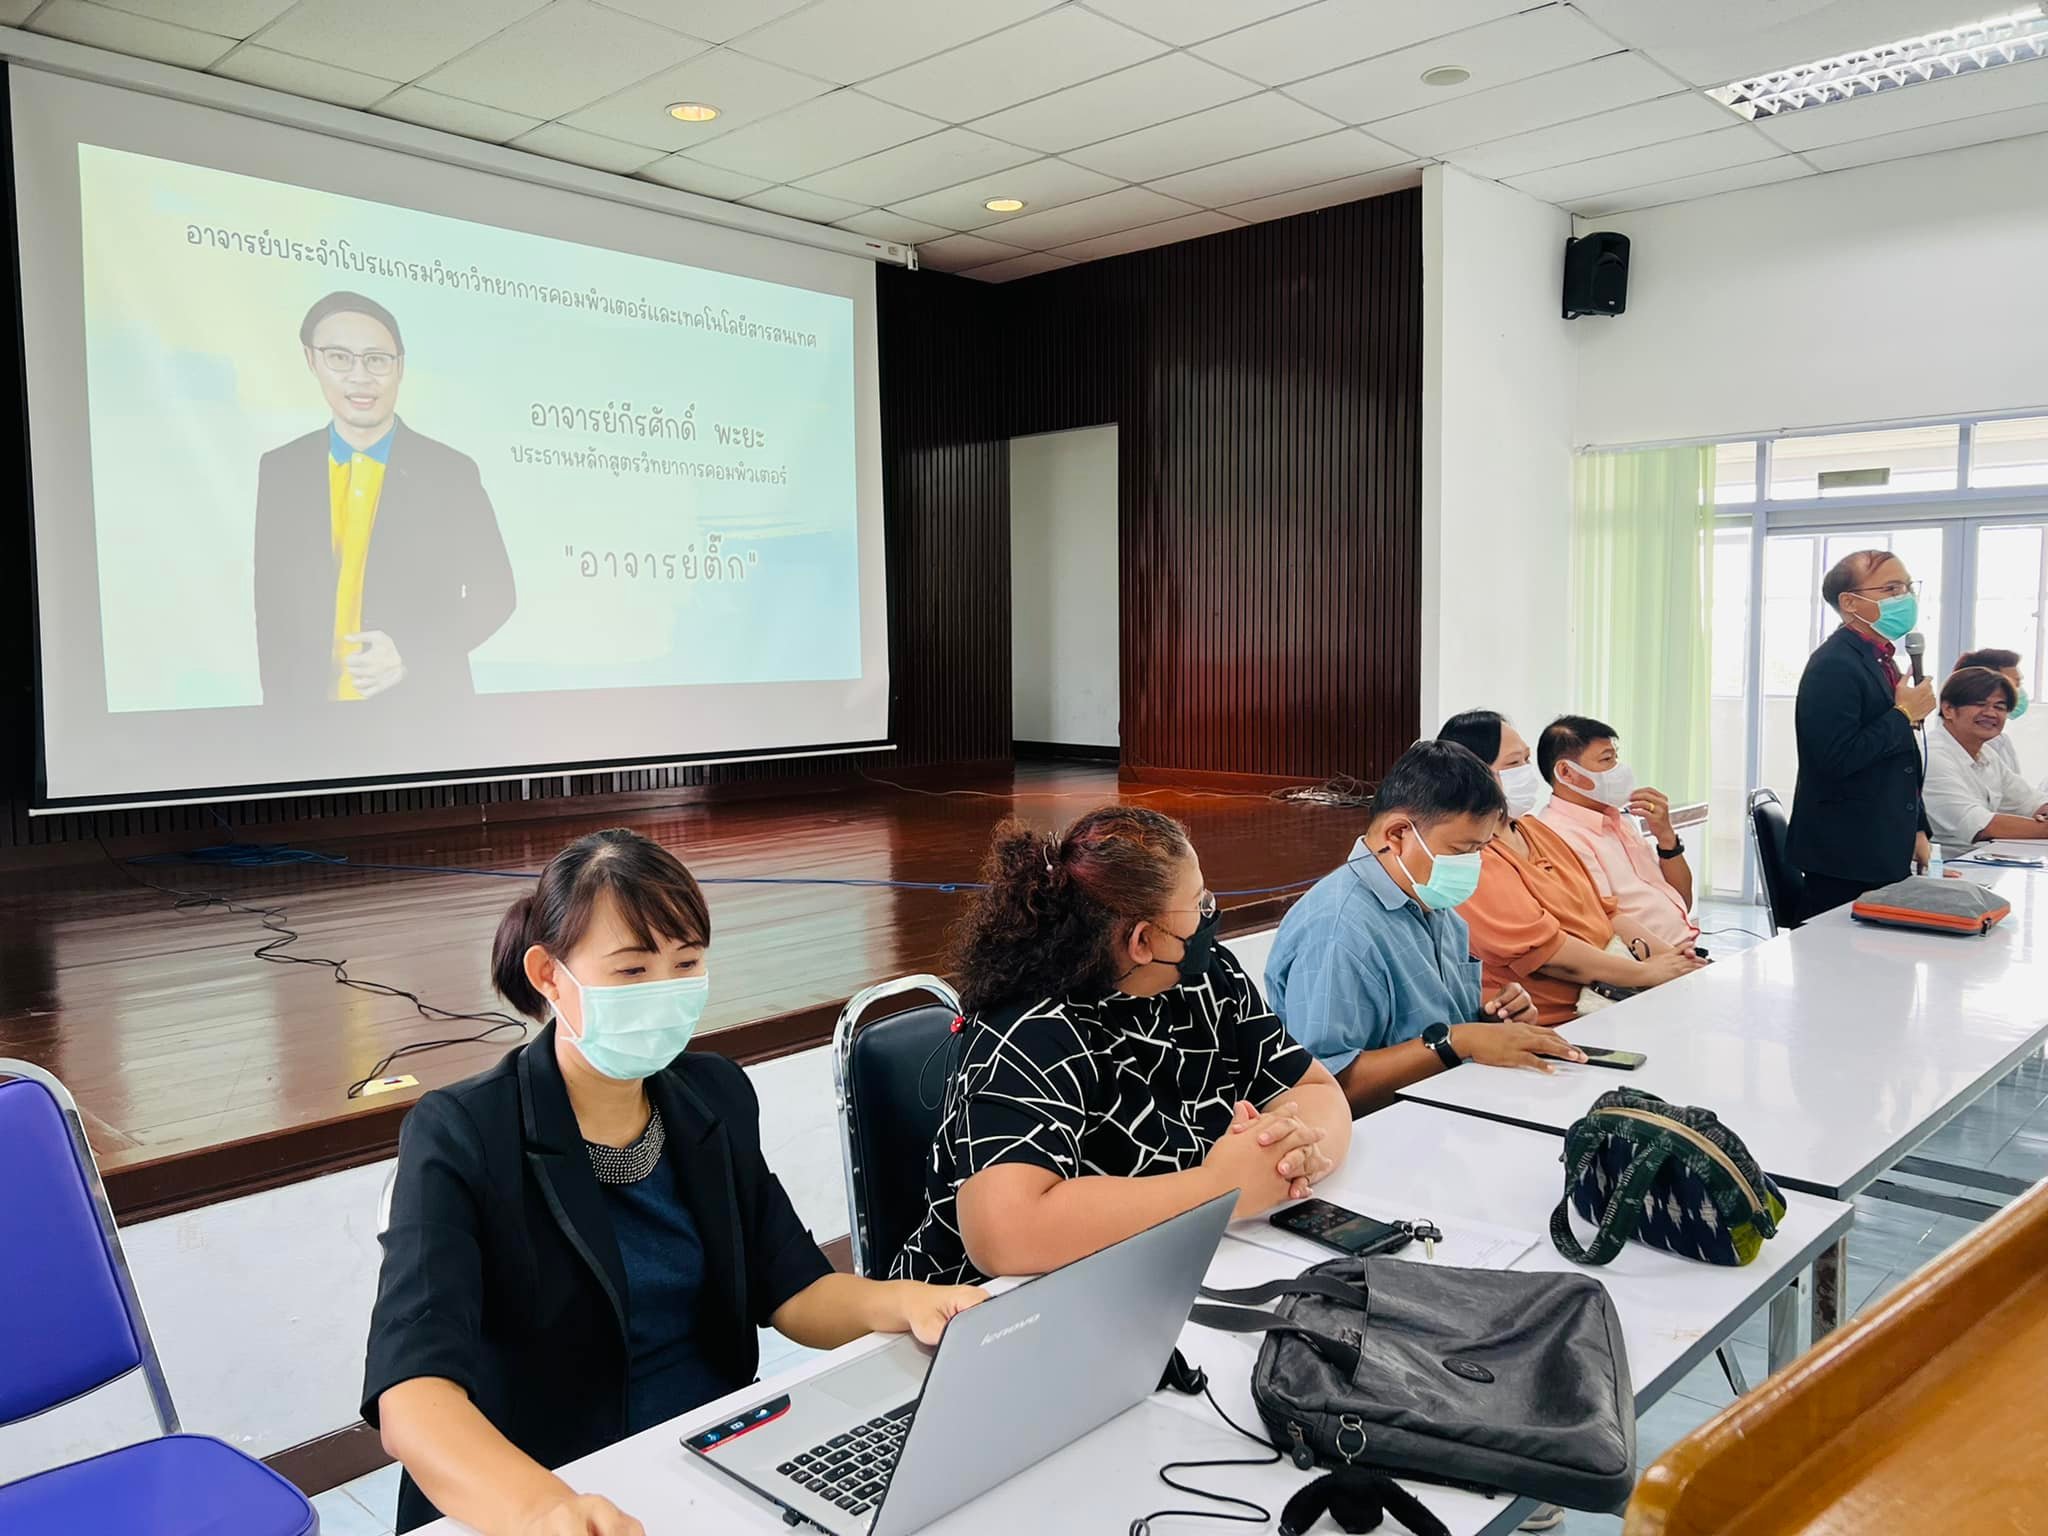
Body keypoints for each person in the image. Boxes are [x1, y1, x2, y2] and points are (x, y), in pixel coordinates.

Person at [363, 830, 986, 1536]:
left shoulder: (711, 1094)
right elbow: (412, 1397)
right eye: (632, 970)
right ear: (548, 975)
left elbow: (793, 1289)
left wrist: (903, 1300)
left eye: (686, 963)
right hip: (549, 1487)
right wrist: (542, 1509)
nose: (664, 993)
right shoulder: (463, 1131)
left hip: (716, 1464)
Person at [890, 806, 1353, 1287]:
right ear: (1142, 941)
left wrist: (1292, 1157)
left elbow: (1314, 1089)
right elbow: (1003, 1234)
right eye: (1198, 902)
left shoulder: (1207, 979)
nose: (1209, 914)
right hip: (997, 1304)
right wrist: (1220, 1188)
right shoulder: (1030, 1028)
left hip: (1170, 1265)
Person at [1264, 740, 1586, 1116]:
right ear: (1398, 835)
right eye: (1462, 851)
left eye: (1480, 849)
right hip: (1382, 1132)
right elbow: (1327, 1085)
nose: (1473, 864)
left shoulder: (1431, 899)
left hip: (1451, 1105)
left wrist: (1492, 1022)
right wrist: (1459, 1041)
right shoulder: (1338, 930)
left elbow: (1439, 1024)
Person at [256, 290, 516, 709]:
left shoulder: (450, 472)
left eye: (377, 360)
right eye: (339, 358)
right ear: (311, 360)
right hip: (307, 720)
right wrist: (277, 715)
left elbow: (497, 594)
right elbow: (272, 607)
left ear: (400, 367)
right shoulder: (281, 469)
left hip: (424, 716)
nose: (360, 377)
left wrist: (411, 653)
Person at [1436, 711, 1702, 1026]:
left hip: (1616, 998)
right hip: (1560, 1019)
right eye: (1513, 764)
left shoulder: (1536, 832)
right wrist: (1646, 973)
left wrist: (1674, 960)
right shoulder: (1474, 857)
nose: (1526, 772)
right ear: (1472, 774)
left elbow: (1607, 914)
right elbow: (1547, 954)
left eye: (1526, 760)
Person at [1786, 550, 1935, 921]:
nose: (1905, 597)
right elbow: (1834, 759)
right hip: (1846, 855)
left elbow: (1899, 759)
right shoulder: (1834, 664)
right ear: (1850, 602)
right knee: (1841, 955)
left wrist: (1917, 827)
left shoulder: (1880, 658)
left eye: (1908, 587)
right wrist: (1903, 715)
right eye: (1891, 588)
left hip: (1882, 845)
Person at [1535, 715, 1700, 953]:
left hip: (1684, 950)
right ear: (1566, 772)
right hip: (1655, 963)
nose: (1619, 769)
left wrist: (1666, 838)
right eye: (1606, 759)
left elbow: (1682, 901)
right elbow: (1604, 927)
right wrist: (1674, 962)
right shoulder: (1559, 835)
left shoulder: (1618, 819)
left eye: (1615, 758)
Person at [1922, 667, 2048, 847]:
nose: (1990, 713)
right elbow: (1981, 826)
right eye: (1980, 704)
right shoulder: (1932, 756)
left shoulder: (1986, 754)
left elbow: (2030, 801)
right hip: (1945, 862)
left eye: (1999, 707)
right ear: (1948, 709)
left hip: (1982, 858)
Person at [1954, 647, 2029, 778]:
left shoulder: (2000, 741)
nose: (2018, 692)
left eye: (2019, 684)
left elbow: (2016, 788)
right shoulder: (1953, 749)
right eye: (2014, 685)